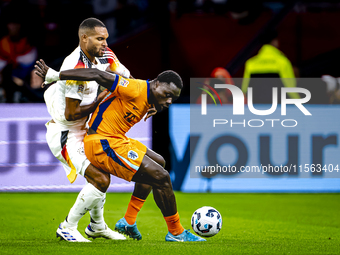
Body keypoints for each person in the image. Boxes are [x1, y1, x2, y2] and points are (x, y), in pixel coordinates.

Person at [35, 60, 206, 242]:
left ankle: (128, 221)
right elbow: (97, 75)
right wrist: (56, 75)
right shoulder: (135, 88)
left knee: (159, 162)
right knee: (161, 177)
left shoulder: (148, 96)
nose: (169, 101)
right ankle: (176, 232)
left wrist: (155, 102)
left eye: (173, 98)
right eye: (167, 94)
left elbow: (141, 94)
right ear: (156, 83)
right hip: (102, 143)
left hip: (115, 139)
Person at [40, 17, 131, 242]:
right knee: (100, 179)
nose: (105, 44)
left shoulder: (104, 56)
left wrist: (145, 98)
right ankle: (67, 227)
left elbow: (127, 78)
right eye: (100, 39)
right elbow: (72, 114)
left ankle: (97, 226)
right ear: (84, 38)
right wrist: (100, 99)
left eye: (106, 38)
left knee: (103, 174)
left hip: (85, 130)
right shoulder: (74, 66)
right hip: (66, 134)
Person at [241, 30, 300, 103]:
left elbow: (244, 89)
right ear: (275, 42)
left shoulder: (250, 63)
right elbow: (291, 89)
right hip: (277, 108)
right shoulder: (282, 62)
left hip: (257, 107)